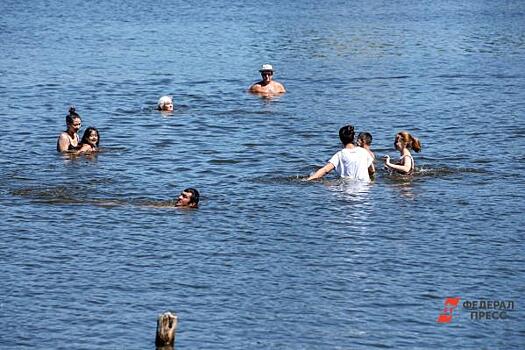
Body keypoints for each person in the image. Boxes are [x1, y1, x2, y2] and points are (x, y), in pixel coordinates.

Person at [307, 125, 374, 182]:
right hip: (364, 191)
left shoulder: (339, 155)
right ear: (354, 138)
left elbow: (325, 170)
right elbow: (372, 170)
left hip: (347, 189)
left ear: (341, 139)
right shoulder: (364, 152)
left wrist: (308, 180)